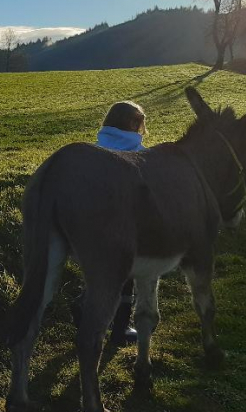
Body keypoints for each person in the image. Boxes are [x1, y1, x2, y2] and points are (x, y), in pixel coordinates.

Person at [96, 101, 146, 344]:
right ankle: (120, 329)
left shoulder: (96, 147)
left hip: (92, 221)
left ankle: (84, 308)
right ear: (133, 124)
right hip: (126, 224)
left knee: (100, 274)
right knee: (127, 278)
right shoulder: (137, 152)